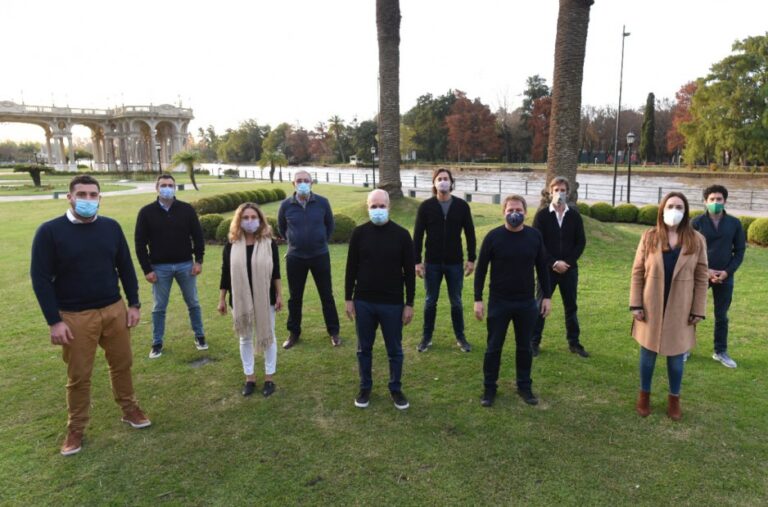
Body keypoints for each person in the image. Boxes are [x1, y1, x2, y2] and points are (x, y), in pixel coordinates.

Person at [31, 175, 151, 456]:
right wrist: (54, 321)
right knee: (79, 375)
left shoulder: (111, 227)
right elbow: (40, 279)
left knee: (122, 364)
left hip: (113, 309)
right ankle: (76, 429)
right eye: (82, 194)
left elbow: (125, 267)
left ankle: (129, 409)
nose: (88, 199)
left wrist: (134, 304)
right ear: (69, 197)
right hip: (74, 316)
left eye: (93, 195)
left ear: (99, 198)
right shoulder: (49, 232)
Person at [630, 192, 708, 421]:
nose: (675, 210)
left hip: (680, 306)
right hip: (651, 304)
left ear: (685, 212)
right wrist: (636, 304)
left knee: (676, 358)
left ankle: (674, 399)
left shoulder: (696, 240)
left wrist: (698, 309)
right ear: (662, 209)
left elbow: (702, 277)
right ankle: (644, 395)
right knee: (647, 354)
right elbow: (637, 272)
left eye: (679, 207)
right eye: (670, 206)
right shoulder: (649, 237)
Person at [474, 195, 551, 408]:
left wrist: (546, 296)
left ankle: (524, 386)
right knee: (493, 347)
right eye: (510, 210)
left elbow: (542, 268)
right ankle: (489, 388)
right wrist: (478, 299)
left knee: (525, 347)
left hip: (526, 302)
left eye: (518, 210)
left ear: (525, 212)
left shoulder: (535, 236)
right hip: (499, 302)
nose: (514, 213)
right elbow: (481, 270)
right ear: (503, 213)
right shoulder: (493, 237)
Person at [345, 189, 415, 410]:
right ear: (368, 207)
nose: (378, 210)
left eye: (381, 206)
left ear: (389, 206)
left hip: (393, 303)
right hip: (364, 301)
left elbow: (409, 273)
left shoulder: (402, 235)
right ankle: (365, 387)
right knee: (364, 348)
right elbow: (351, 267)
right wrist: (348, 298)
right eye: (373, 206)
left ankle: (395, 388)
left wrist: (409, 303)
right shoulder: (359, 233)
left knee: (394, 350)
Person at [135, 174, 206, 359]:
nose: (167, 188)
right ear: (156, 188)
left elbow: (198, 236)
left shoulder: (186, 209)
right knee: (159, 307)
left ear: (175, 187)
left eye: (170, 185)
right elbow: (140, 243)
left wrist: (198, 260)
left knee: (193, 303)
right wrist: (147, 269)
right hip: (160, 268)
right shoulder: (146, 212)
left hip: (185, 265)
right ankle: (157, 342)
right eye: (163, 185)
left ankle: (200, 336)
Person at [218, 203, 282, 397]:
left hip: (265, 297)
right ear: (239, 220)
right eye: (245, 218)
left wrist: (279, 294)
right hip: (240, 299)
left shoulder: (268, 243)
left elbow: (276, 272)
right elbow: (225, 273)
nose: (249, 221)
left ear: (260, 220)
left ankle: (269, 378)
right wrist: (222, 299)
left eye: (253, 217)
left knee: (268, 335)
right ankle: (250, 378)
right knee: (245, 337)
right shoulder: (232, 244)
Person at [413, 168, 476, 353]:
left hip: (454, 263)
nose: (443, 182)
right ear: (434, 183)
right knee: (430, 301)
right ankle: (426, 338)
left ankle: (460, 337)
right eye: (439, 179)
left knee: (456, 301)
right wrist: (417, 261)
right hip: (432, 263)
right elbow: (418, 235)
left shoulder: (462, 206)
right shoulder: (426, 207)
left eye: (446, 178)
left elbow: (470, 233)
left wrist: (471, 259)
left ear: (451, 182)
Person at [277, 170, 341, 348]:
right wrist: (293, 242)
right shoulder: (286, 205)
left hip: (320, 255)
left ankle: (334, 332)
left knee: (326, 295)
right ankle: (294, 333)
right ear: (293, 184)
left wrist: (320, 241)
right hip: (295, 257)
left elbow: (330, 226)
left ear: (312, 183)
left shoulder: (322, 202)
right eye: (299, 180)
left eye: (306, 180)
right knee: (295, 297)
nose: (303, 183)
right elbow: (282, 228)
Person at [531, 176, 588, 358]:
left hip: (569, 270)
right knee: (541, 305)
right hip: (547, 270)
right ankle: (533, 342)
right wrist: (553, 262)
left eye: (563, 190)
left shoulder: (574, 216)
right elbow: (538, 243)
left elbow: (580, 242)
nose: (560, 193)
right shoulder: (542, 216)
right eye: (556, 190)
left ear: (568, 193)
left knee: (571, 307)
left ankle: (574, 343)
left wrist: (567, 263)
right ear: (550, 192)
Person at [691, 185, 746, 368]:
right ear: (705, 201)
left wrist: (726, 272)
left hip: (725, 276)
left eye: (719, 199)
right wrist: (705, 271)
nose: (716, 202)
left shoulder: (734, 223)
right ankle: (684, 348)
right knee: (690, 311)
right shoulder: (696, 223)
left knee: (721, 316)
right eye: (712, 199)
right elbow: (689, 251)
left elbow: (739, 251)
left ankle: (720, 351)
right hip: (700, 275)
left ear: (725, 201)